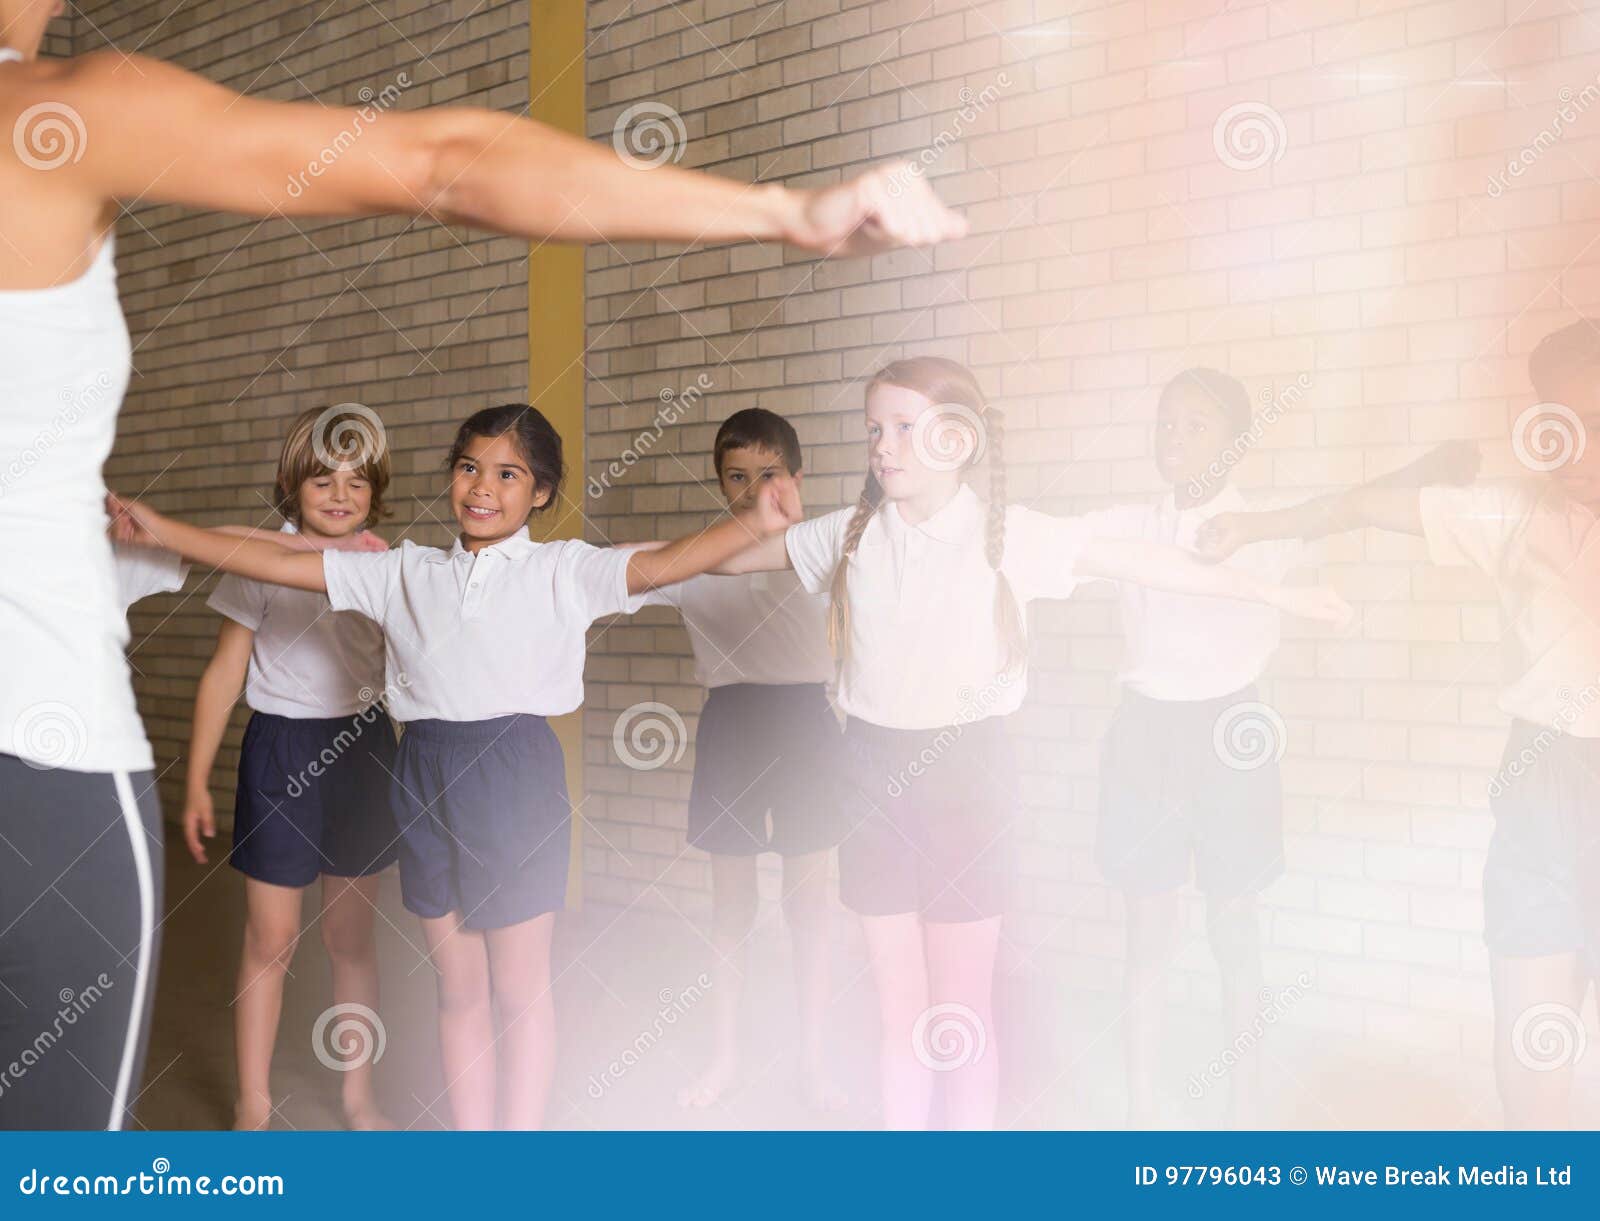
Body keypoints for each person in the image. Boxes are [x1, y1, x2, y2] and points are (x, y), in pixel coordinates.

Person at [0, 0, 962, 1130]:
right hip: (71, 744)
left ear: (537, 492)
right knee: (71, 1144)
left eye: (505, 474)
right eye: (469, 469)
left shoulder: (541, 570)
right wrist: (786, 212)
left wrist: (754, 523)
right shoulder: (65, 115)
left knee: (499, 977)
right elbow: (445, 165)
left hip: (493, 773)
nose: (481, 487)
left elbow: (654, 565)